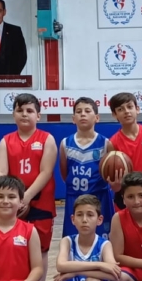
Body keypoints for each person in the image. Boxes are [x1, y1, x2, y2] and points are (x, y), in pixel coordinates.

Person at [0, 92, 56, 281]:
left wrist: (26, 197)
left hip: (40, 202)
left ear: (38, 115)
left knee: (42, 250)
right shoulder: (6, 141)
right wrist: (7, 198)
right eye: (20, 110)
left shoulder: (47, 139)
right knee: (14, 248)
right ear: (13, 115)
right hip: (14, 204)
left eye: (30, 110)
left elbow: (46, 172)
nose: (25, 114)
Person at [59, 97, 113, 239]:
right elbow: (64, 174)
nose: (83, 114)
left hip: (99, 197)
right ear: (73, 119)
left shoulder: (105, 143)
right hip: (74, 198)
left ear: (97, 118)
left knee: (103, 240)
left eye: (87, 111)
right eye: (79, 111)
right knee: (72, 240)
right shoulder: (65, 143)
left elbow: (111, 173)